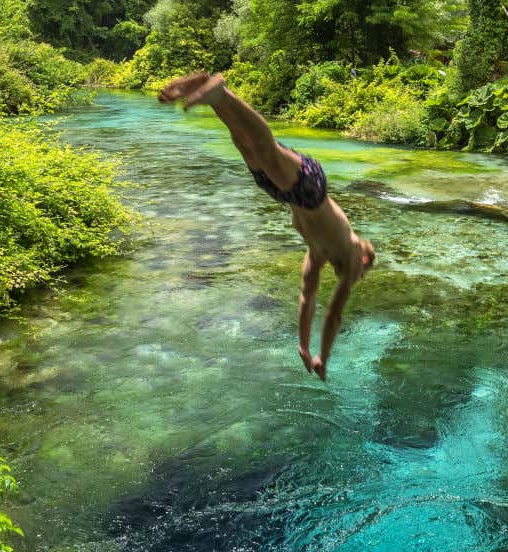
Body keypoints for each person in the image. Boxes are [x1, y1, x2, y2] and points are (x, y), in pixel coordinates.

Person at [158, 72, 375, 381]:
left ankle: (210, 97)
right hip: (310, 187)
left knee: (244, 145)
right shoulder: (354, 254)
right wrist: (322, 358)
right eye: (362, 274)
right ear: (365, 260)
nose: (356, 278)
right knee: (265, 148)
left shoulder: (317, 253)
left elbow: (307, 297)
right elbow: (334, 314)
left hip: (286, 194)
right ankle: (222, 91)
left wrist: (302, 346)